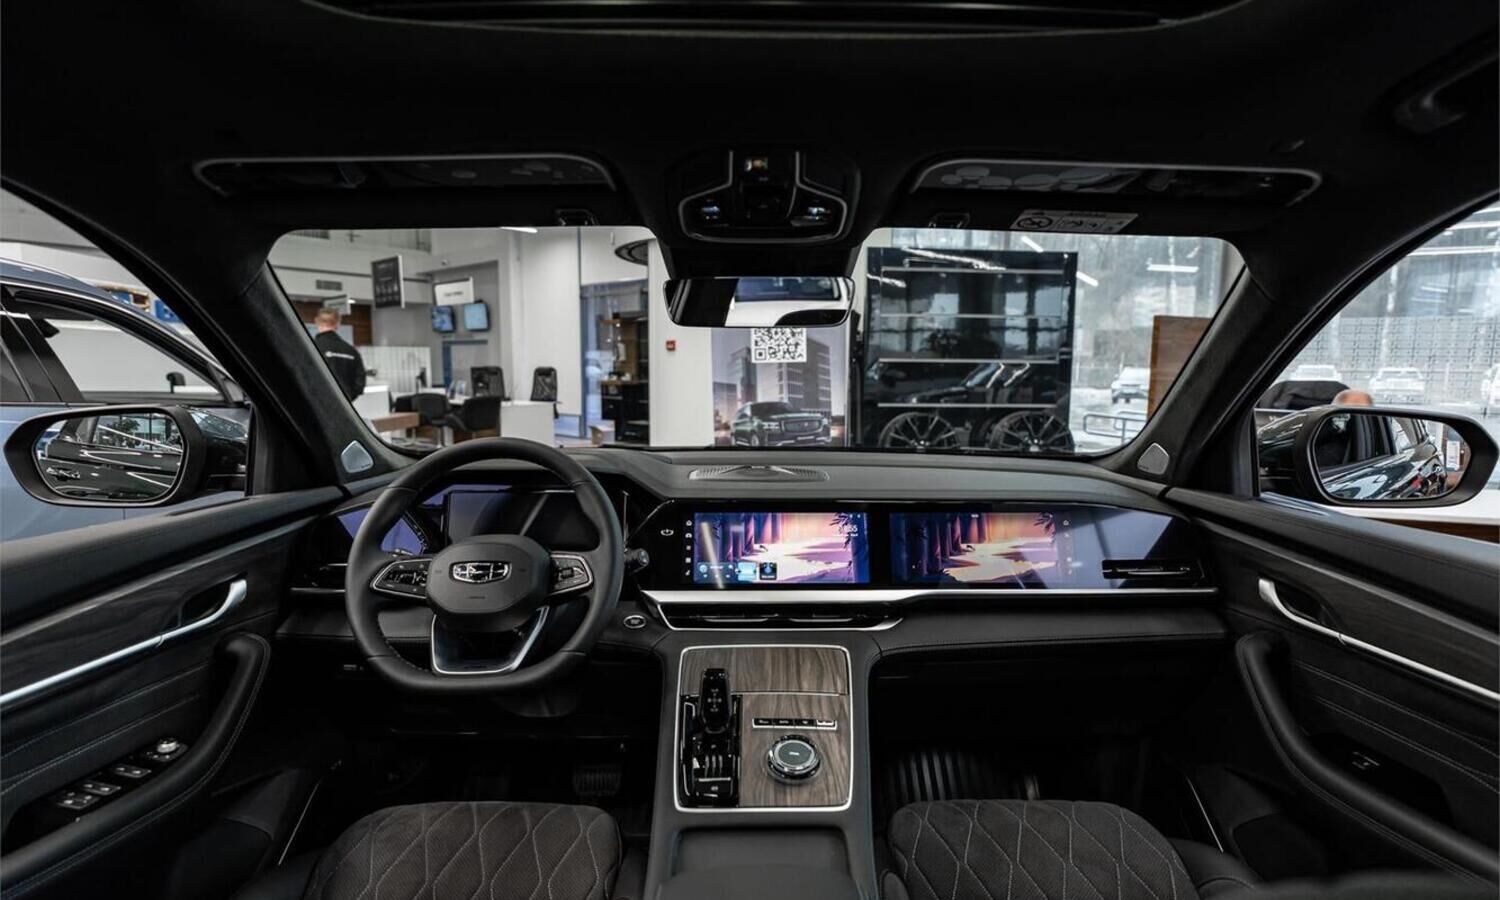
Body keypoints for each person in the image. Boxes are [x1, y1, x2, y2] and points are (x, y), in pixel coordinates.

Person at [313, 308, 366, 401]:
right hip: (343, 403)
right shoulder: (351, 351)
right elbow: (360, 383)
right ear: (338, 323)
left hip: (316, 402)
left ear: (316, 322)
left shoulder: (311, 348)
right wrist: (347, 397)